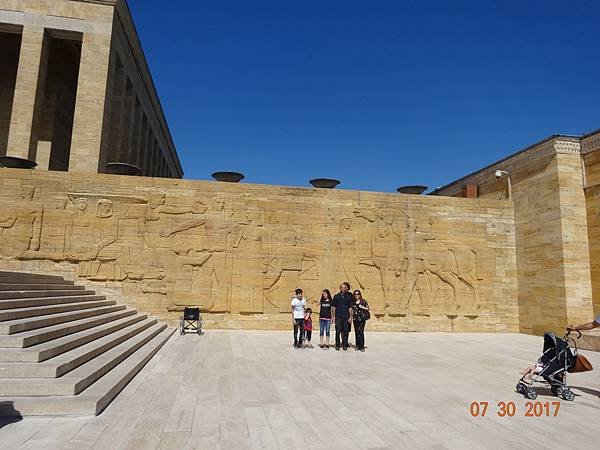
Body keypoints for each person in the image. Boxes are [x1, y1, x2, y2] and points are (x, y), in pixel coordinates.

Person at [332, 282, 353, 351]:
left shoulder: (348, 297)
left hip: (346, 316)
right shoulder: (336, 296)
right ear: (340, 288)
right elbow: (333, 307)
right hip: (338, 316)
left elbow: (350, 308)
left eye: (345, 288)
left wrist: (350, 317)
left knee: (346, 331)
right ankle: (337, 344)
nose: (343, 289)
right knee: (338, 331)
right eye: (342, 288)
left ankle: (344, 345)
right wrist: (333, 316)